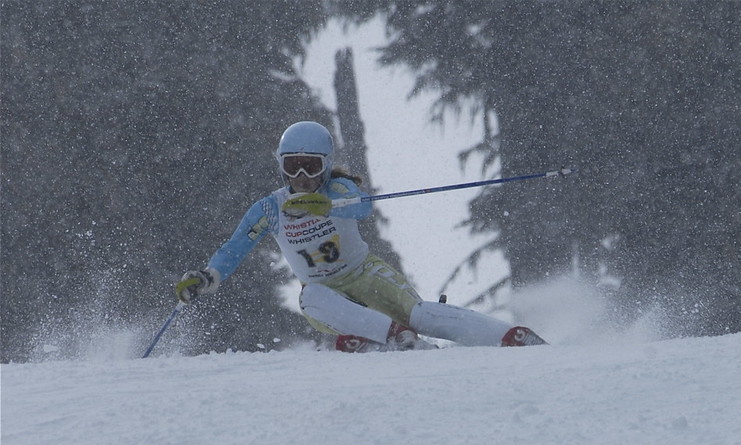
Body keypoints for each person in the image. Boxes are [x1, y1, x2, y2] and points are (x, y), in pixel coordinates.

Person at [176, 121, 546, 352]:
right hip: (327, 294)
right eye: (293, 166)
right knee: (310, 297)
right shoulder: (270, 209)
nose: (302, 176)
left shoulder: (337, 190)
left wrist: (325, 206)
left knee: (419, 313)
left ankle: (510, 336)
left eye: (311, 166)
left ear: (325, 165)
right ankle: (394, 338)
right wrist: (208, 277)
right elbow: (235, 247)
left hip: (365, 274)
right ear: (281, 167)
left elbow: (360, 207)